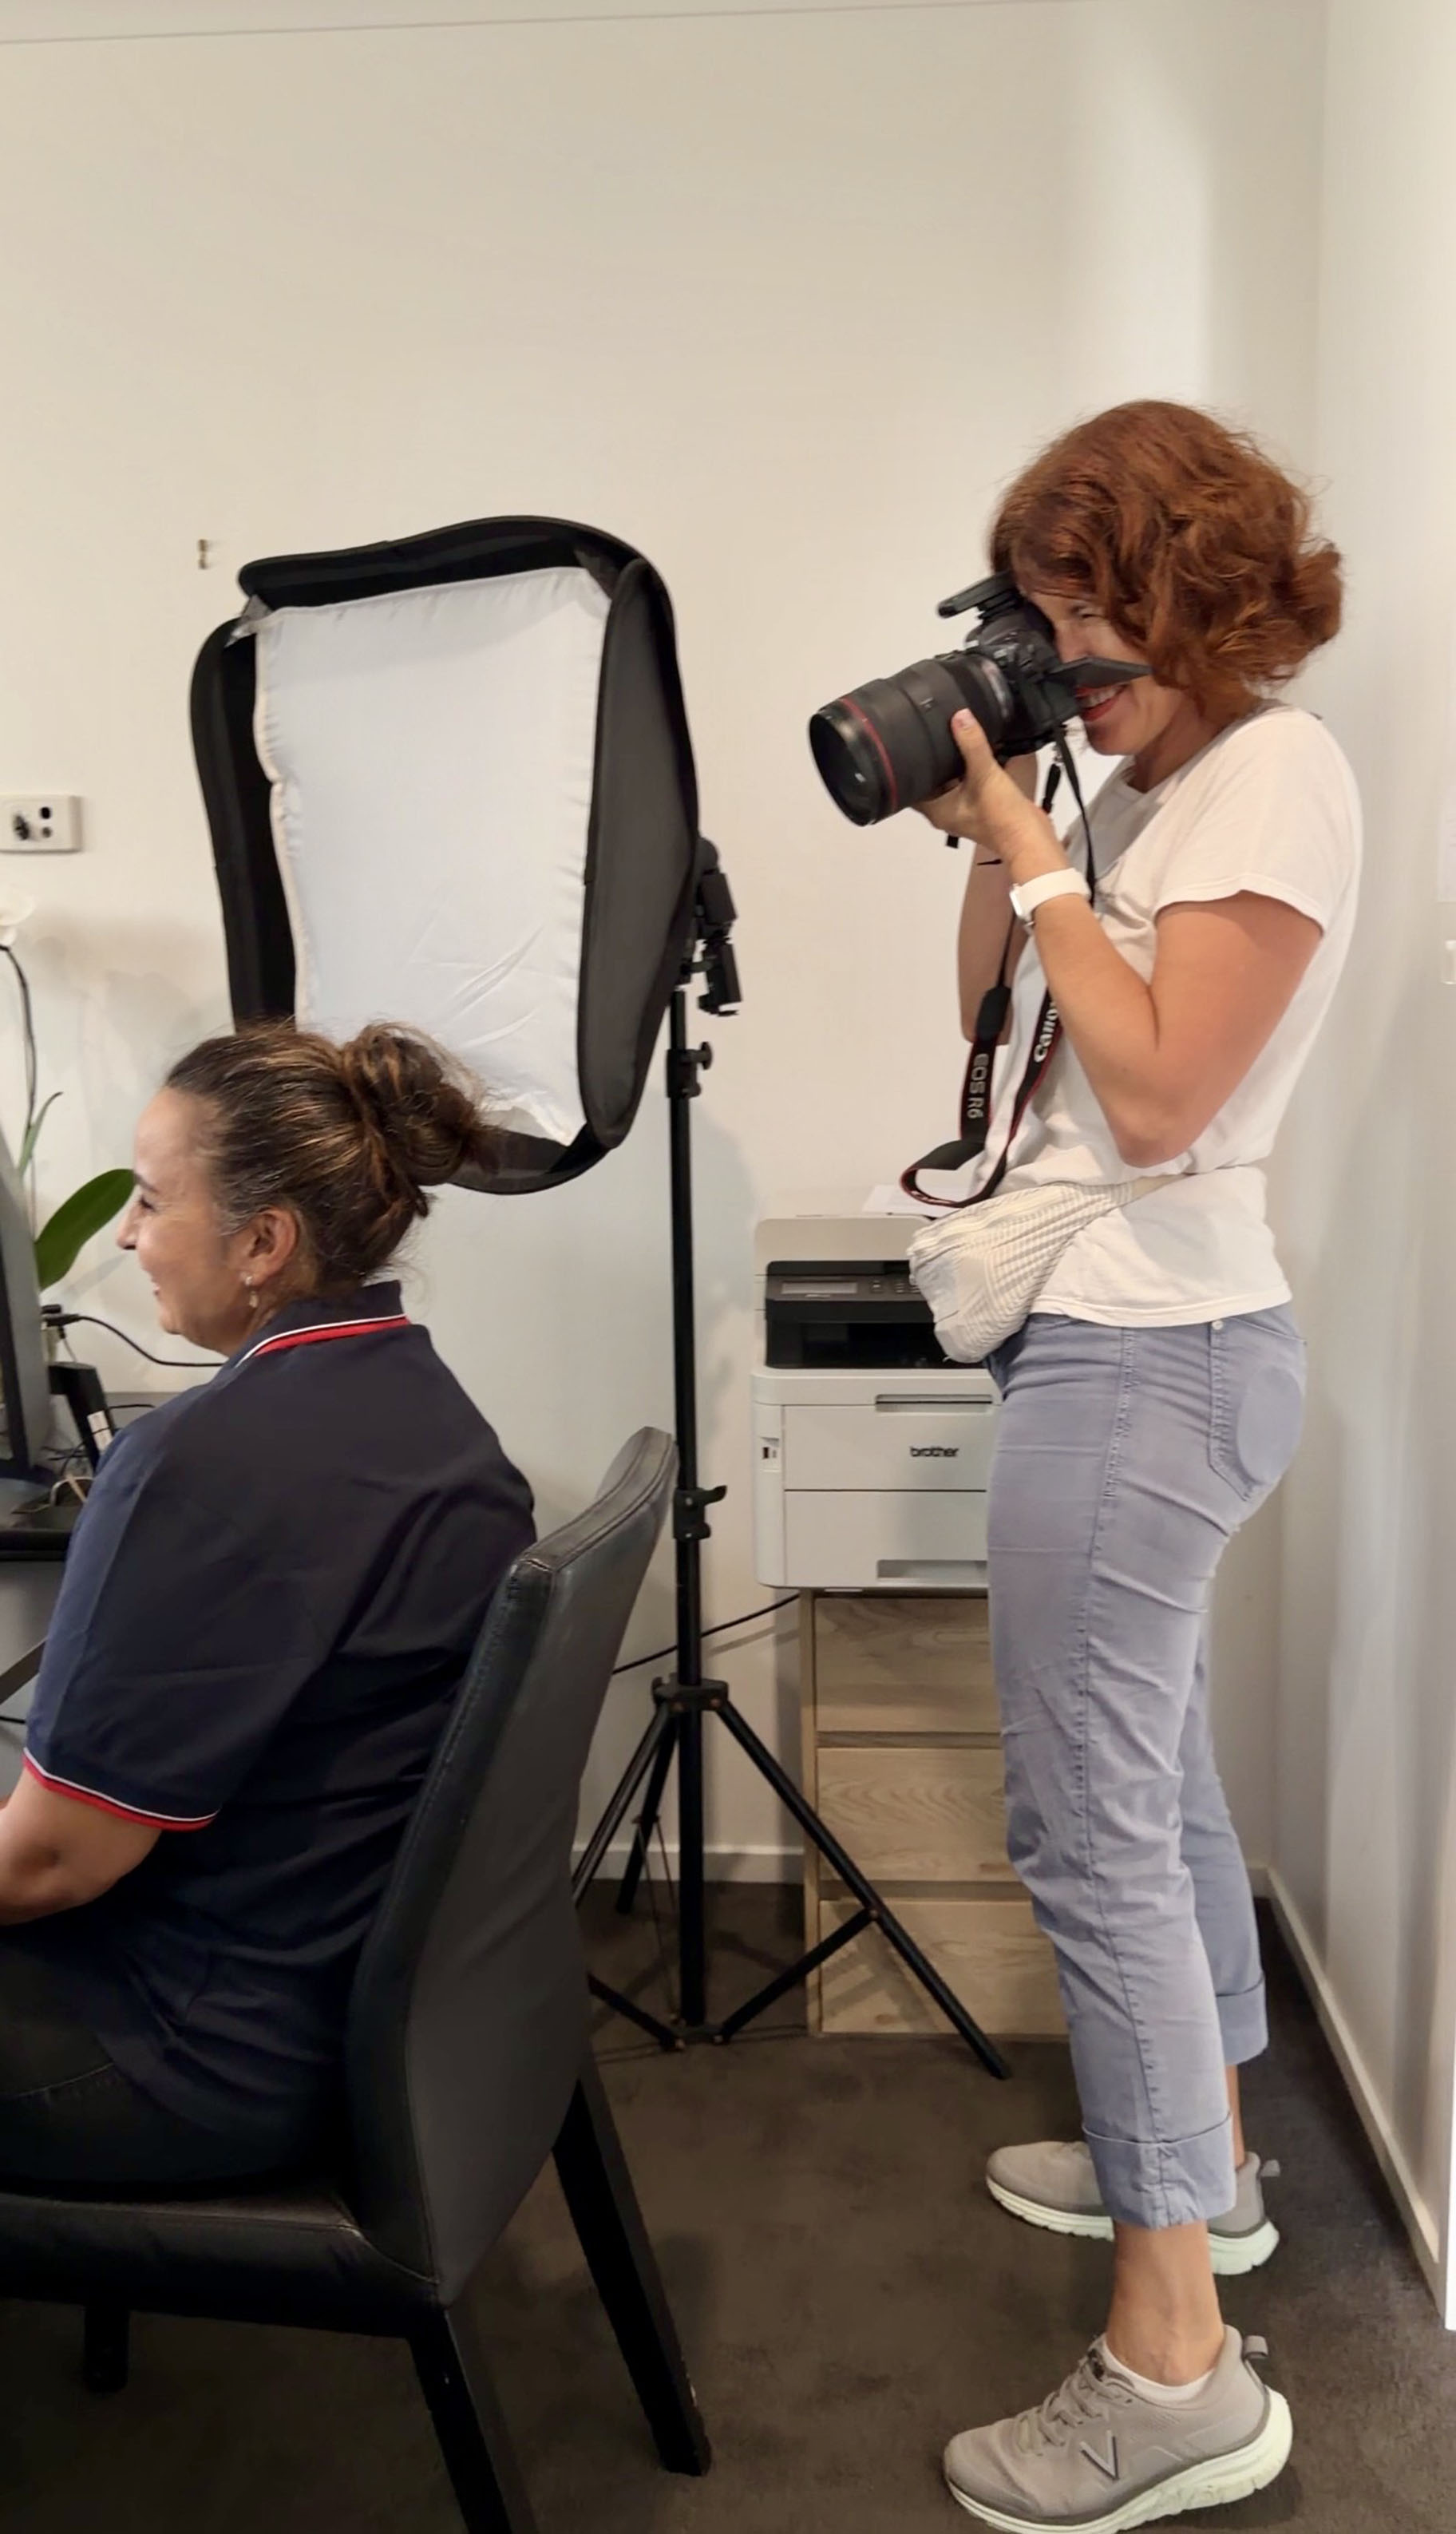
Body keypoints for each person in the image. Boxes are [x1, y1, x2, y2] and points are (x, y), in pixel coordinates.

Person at [916, 402, 1359, 2528]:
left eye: (1084, 624)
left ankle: (1176, 2364)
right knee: (1156, 1791)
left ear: (1195, 592)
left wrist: (1035, 845)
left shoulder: (1279, 768)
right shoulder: (1151, 790)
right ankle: (1216, 2166)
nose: (1063, 670)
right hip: (1124, 1345)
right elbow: (1008, 1034)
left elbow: (1167, 1093)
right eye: (1039, 628)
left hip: (1152, 1357)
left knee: (1086, 1830)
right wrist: (1002, 841)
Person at [0, 1020, 534, 2185]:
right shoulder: (431, 1407)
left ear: (263, 1241)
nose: (126, 1234)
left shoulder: (196, 1466)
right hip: (338, 2002)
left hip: (192, 2050)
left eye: (150, 1201)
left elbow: (49, 1865)